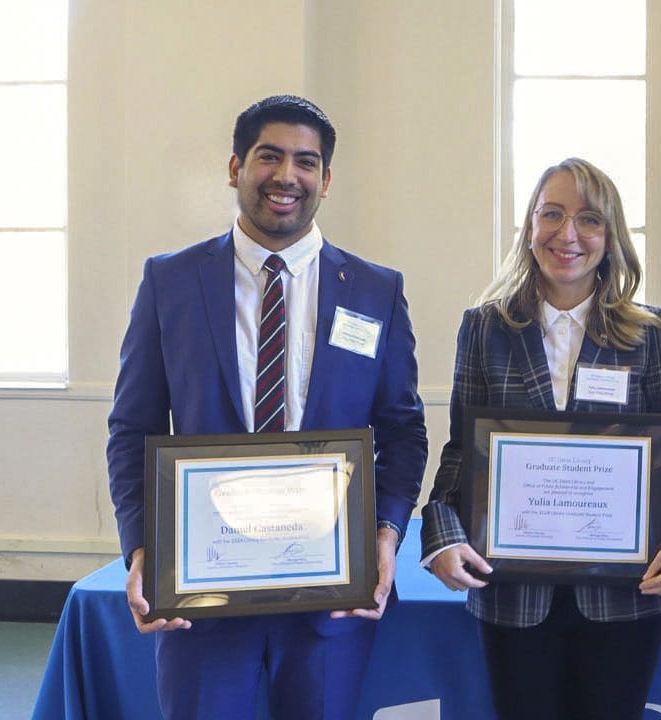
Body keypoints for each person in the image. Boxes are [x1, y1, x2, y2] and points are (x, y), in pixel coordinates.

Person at [106, 95, 428, 719]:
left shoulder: (374, 290)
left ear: (326, 180)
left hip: (330, 595)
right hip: (202, 594)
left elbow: (402, 431)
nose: (287, 177)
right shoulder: (169, 282)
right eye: (269, 157)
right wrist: (143, 550)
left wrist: (385, 538)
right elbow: (132, 428)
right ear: (235, 168)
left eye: (306, 163)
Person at [421, 157, 661, 720]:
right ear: (530, 228)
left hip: (626, 593)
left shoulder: (649, 333)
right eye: (551, 215)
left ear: (611, 236)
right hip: (509, 593)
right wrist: (442, 537)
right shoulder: (484, 328)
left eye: (589, 220)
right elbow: (461, 453)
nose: (568, 234)